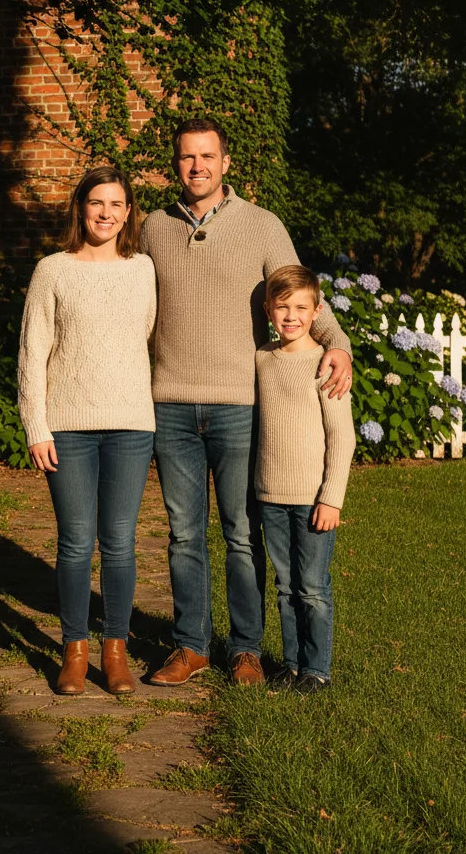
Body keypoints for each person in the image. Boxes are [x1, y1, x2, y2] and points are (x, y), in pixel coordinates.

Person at [141, 118, 353, 688]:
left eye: (207, 156)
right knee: (184, 533)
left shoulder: (261, 225)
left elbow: (300, 289)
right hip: (172, 405)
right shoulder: (153, 229)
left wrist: (340, 343)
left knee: (240, 534)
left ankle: (245, 650)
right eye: (187, 157)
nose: (197, 166)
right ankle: (189, 646)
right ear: (175, 164)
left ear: (226, 163)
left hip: (239, 405)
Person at [18, 167, 157, 696]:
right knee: (76, 542)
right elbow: (33, 353)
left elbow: (142, 334)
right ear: (80, 208)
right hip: (68, 427)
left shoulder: (142, 268)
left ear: (128, 212)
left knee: (120, 541)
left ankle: (114, 650)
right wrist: (37, 425)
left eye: (116, 204)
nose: (105, 212)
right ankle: (74, 650)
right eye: (96, 202)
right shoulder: (53, 270)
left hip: (129, 423)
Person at [256, 265, 355, 693]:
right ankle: (292, 665)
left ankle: (317, 671)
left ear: (317, 312)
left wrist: (331, 498)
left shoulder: (325, 364)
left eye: (301, 307)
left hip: (313, 498)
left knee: (313, 587)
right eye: (282, 307)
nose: (291, 315)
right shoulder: (262, 358)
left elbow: (343, 438)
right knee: (285, 586)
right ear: (268, 310)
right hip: (270, 495)